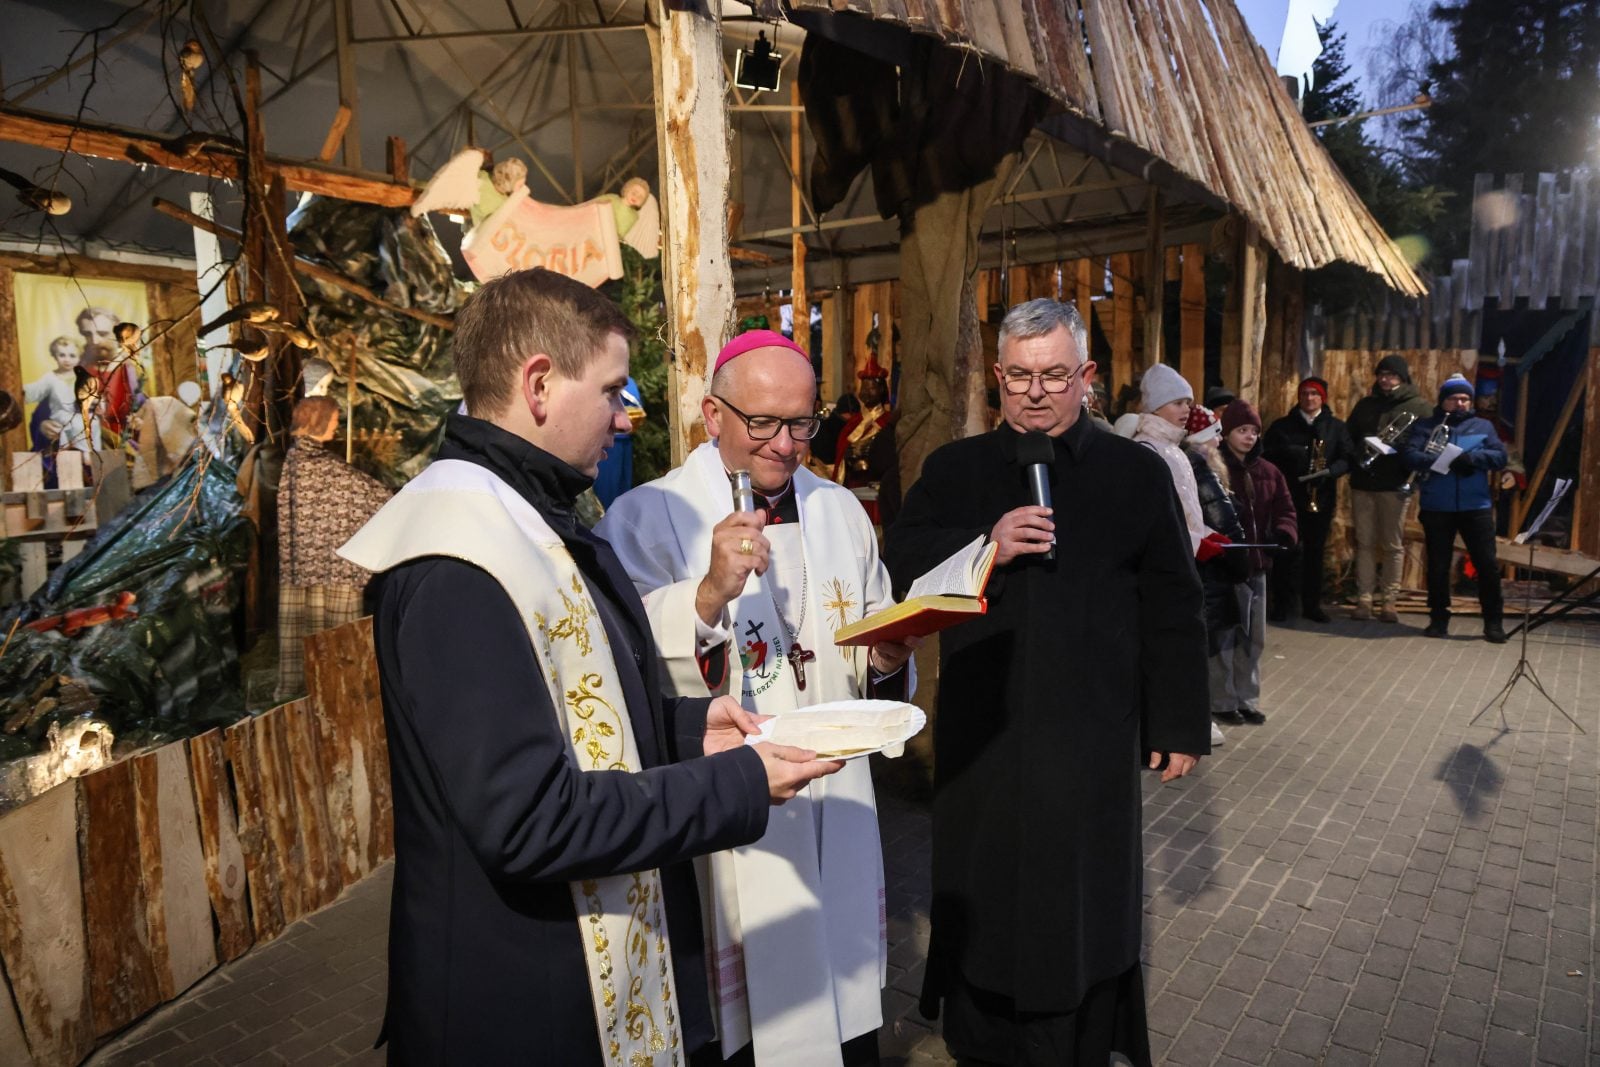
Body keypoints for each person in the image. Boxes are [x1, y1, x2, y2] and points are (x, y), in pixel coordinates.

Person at [338, 269, 843, 1064]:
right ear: (539, 383)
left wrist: (686, 729)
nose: (623, 416)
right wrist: (739, 781)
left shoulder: (530, 512)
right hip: (518, 1001)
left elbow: (578, 706)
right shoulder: (457, 557)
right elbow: (528, 818)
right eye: (611, 389)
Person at [884, 298, 1210, 1067]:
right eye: (1021, 376)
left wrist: (1177, 722)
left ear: (1088, 377)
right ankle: (980, 1034)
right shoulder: (955, 470)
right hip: (983, 732)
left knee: (1083, 900)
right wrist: (982, 543)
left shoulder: (1136, 472)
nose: (1036, 392)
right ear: (997, 376)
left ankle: (1081, 1040)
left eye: (1055, 375)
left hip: (1092, 735)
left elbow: (1174, 600)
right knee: (984, 889)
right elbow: (900, 562)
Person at [598, 329, 917, 1067]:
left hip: (841, 801)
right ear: (713, 414)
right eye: (763, 422)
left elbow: (867, 636)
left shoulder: (840, 510)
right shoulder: (649, 517)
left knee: (843, 1007)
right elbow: (630, 673)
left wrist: (887, 657)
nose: (786, 443)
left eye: (801, 422)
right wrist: (707, 594)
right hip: (738, 806)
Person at [274, 397, 393, 700]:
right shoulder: (313, 463)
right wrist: (389, 497)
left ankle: (309, 687)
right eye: (334, 419)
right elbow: (363, 491)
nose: (337, 425)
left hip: (306, 568)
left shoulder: (297, 459)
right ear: (318, 420)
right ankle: (334, 689)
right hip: (331, 569)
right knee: (333, 634)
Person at [1400, 374, 1509, 643]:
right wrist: (1440, 460)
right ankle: (1438, 619)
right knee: (1437, 565)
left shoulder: (1483, 426)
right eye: (1454, 398)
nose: (1460, 403)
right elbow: (1410, 455)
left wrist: (1471, 458)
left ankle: (1493, 622)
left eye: (1465, 399)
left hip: (1476, 505)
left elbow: (1499, 456)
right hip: (1438, 504)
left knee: (1486, 564)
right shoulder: (1426, 426)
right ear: (1443, 400)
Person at [1212, 400, 1297, 728]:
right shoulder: (1216, 468)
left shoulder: (1269, 472)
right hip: (1227, 565)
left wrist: (1284, 531)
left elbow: (1286, 508)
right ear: (1227, 432)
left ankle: (1247, 699)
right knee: (1225, 638)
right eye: (1241, 430)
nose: (1248, 437)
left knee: (1254, 637)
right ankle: (1222, 700)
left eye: (1253, 431)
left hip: (1259, 564)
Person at [1345, 354, 1433, 621]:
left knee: (1393, 545)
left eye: (1392, 374)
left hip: (1395, 483)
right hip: (1363, 482)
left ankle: (1390, 601)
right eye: (1382, 374)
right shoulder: (1366, 405)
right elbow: (1349, 436)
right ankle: (1364, 599)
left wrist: (1401, 455)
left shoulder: (1419, 407)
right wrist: (1359, 451)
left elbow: (1425, 446)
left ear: (1403, 377)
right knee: (1365, 543)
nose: (1385, 379)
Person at [1261, 377, 1357, 623]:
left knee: (1315, 554)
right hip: (1289, 498)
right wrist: (1291, 453)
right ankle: (1282, 604)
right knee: (1286, 551)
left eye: (1315, 394)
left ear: (1322, 398)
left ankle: (1312, 605)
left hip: (1321, 498)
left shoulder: (1336, 427)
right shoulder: (1283, 426)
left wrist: (1332, 471)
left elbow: (1347, 457)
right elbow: (1267, 456)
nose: (1309, 398)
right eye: (1305, 393)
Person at [1183, 405, 1248, 748]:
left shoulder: (1195, 464)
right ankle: (1199, 718)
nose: (1220, 440)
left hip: (1211, 570)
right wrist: (1241, 561)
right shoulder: (1198, 467)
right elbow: (1221, 519)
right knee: (1202, 651)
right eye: (1214, 434)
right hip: (1209, 572)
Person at [831, 356, 899, 524]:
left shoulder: (888, 422)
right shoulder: (853, 423)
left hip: (877, 489)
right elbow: (841, 454)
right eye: (864, 388)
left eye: (872, 388)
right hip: (853, 485)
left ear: (882, 389)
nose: (867, 392)